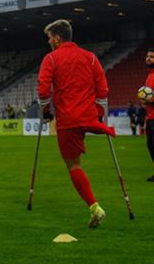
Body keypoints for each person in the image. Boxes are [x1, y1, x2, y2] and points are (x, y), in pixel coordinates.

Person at [37, 20, 115, 228]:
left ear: (57, 38)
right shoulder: (90, 58)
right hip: (89, 118)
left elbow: (44, 91)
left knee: (74, 165)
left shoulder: (51, 59)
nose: (49, 41)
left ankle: (94, 207)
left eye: (50, 37)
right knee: (76, 163)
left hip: (68, 121)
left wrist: (46, 112)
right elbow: (103, 90)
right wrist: (98, 115)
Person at [143, 48, 154, 181]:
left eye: (151, 56)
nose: (148, 58)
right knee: (150, 145)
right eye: (147, 56)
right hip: (150, 117)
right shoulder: (149, 75)